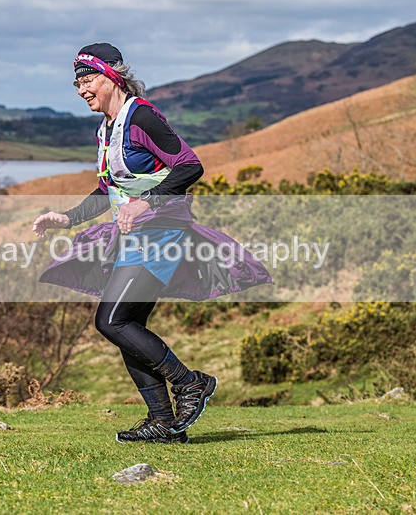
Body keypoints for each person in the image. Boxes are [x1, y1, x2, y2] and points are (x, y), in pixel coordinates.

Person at [32, 43, 272, 444]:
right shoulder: (107, 127)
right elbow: (108, 187)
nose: (81, 90)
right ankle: (163, 420)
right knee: (127, 326)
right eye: (76, 83)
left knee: (111, 321)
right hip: (136, 236)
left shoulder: (141, 116)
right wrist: (67, 218)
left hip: (163, 233)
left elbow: (190, 165)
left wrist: (146, 203)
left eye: (88, 79)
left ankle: (190, 382)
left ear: (113, 77)